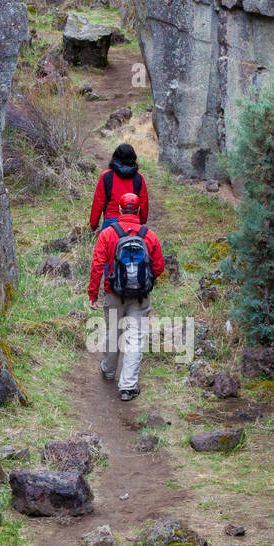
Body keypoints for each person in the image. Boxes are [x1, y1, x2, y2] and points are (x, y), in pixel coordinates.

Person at [88, 191, 165, 400]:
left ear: (119, 210)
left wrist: (93, 293)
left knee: (113, 332)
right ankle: (128, 386)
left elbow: (97, 265)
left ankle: (109, 371)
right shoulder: (149, 235)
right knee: (135, 338)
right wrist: (144, 282)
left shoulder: (108, 233)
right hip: (140, 296)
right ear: (139, 210)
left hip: (113, 293)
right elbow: (159, 266)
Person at [89, 143, 149, 231]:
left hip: (110, 221)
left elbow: (98, 201)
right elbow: (144, 203)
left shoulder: (106, 176)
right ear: (133, 158)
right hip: (133, 222)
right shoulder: (139, 178)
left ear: (115, 157)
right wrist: (142, 222)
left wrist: (94, 225)